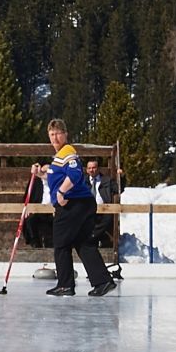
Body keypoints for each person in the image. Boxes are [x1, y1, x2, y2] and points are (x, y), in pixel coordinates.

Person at [34, 119, 114, 296]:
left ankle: (65, 284)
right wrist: (40, 174)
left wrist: (61, 193)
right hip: (83, 203)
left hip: (73, 204)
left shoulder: (67, 151)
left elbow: (76, 174)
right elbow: (57, 178)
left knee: (61, 244)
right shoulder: (58, 157)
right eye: (52, 134)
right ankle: (103, 281)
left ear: (65, 134)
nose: (55, 137)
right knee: (83, 242)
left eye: (58, 133)